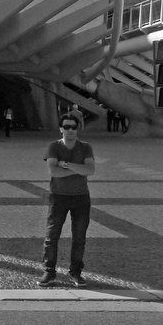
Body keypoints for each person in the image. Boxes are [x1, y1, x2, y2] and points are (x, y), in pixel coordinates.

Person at [38, 116, 95, 288]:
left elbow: (90, 170)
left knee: (79, 238)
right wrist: (78, 169)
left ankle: (75, 272)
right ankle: (49, 271)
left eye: (73, 127)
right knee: (51, 236)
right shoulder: (54, 146)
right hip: (58, 196)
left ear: (77, 129)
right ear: (60, 129)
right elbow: (53, 172)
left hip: (81, 197)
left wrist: (66, 165)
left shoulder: (85, 147)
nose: (70, 130)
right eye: (66, 127)